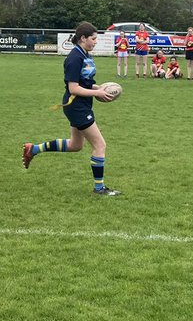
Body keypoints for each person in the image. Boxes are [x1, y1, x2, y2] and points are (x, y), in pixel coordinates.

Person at [22, 21, 120, 196]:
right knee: (100, 145)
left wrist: (98, 88)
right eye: (93, 38)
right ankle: (99, 188)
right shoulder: (75, 58)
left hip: (81, 105)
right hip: (76, 106)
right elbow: (73, 88)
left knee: (75, 145)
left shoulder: (85, 54)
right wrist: (96, 94)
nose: (95, 41)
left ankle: (33, 149)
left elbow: (85, 82)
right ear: (83, 38)